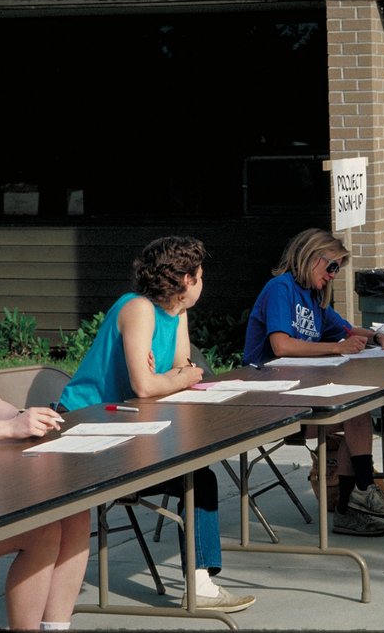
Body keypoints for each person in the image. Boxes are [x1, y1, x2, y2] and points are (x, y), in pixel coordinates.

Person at [57, 236, 256, 613]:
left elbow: (184, 371)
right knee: (198, 476)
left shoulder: (177, 311)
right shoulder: (138, 309)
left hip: (127, 424)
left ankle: (200, 582)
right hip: (84, 428)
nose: (202, 281)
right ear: (184, 280)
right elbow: (147, 385)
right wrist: (173, 378)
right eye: (199, 274)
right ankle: (199, 586)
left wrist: (175, 377)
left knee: (197, 470)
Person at [0, 251, 90, 631]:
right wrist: (10, 430)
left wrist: (21, 418)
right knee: (43, 530)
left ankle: (56, 627)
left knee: (75, 509)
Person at [242, 228, 384, 538]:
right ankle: (356, 499)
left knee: (356, 410)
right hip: (269, 400)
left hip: (300, 393)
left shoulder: (314, 299)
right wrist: (337, 348)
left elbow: (346, 328)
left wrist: (377, 336)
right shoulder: (280, 289)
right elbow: (281, 346)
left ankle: (355, 499)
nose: (333, 275)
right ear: (313, 258)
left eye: (337, 269)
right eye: (331, 267)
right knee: (352, 414)